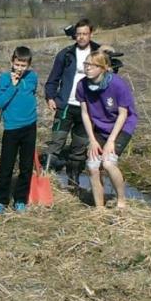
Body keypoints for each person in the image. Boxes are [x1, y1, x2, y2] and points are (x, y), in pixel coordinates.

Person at [44, 18, 100, 192]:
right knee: (56, 142)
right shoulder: (66, 54)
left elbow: (109, 75)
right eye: (79, 34)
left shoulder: (99, 52)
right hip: (66, 104)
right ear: (74, 35)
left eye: (85, 34)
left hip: (88, 107)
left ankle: (73, 180)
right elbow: (53, 78)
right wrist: (50, 97)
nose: (82, 37)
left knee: (79, 146)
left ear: (91, 34)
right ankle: (46, 178)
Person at [78, 50, 137, 210]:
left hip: (121, 125)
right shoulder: (82, 85)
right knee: (92, 165)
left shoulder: (117, 84)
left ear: (103, 68)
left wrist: (111, 141)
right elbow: (85, 113)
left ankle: (121, 201)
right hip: (99, 126)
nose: (87, 68)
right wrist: (92, 139)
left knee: (109, 162)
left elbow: (123, 114)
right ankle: (99, 208)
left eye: (92, 65)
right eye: (86, 64)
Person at [0, 47, 39, 215]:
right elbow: (0, 103)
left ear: (28, 65)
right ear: (12, 62)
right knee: (6, 166)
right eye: (17, 64)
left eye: (23, 65)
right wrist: (13, 85)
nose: (20, 68)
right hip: (11, 128)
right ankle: (0, 200)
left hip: (30, 126)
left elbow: (31, 92)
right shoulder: (4, 79)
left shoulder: (32, 77)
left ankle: (20, 200)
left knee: (26, 166)